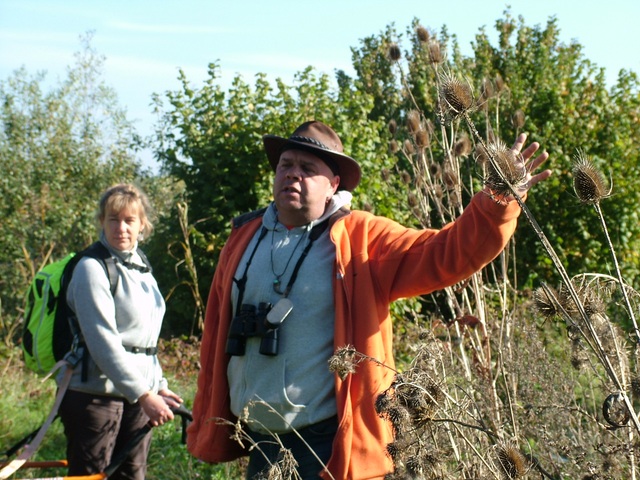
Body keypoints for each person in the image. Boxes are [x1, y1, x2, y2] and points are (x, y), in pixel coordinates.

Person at [187, 121, 551, 479]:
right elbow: (217, 333)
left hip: (327, 446)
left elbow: (448, 252)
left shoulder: (361, 238)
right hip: (259, 442)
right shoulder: (243, 236)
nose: (292, 174)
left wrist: (498, 201)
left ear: (333, 184)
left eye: (307, 169)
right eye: (286, 165)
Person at [58, 183, 182, 480]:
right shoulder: (91, 268)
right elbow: (103, 342)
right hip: (95, 398)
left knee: (131, 476)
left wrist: (158, 384)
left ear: (142, 225)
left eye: (129, 220)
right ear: (102, 221)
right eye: (113, 219)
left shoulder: (141, 267)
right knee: (91, 476)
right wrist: (143, 394)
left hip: (138, 395)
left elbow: (145, 339)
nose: (121, 228)